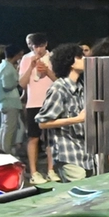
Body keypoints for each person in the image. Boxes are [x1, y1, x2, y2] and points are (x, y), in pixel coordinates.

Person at [36, 43, 94, 180]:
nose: (84, 59)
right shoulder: (58, 88)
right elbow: (43, 122)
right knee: (81, 192)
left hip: (84, 151)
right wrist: (77, 119)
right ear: (70, 62)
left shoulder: (82, 86)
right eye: (80, 57)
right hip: (67, 152)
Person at [19, 33, 57, 186]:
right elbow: (22, 83)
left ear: (46, 44)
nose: (38, 49)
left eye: (41, 46)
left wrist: (47, 71)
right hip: (33, 103)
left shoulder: (53, 57)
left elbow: (59, 80)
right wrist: (31, 67)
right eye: (35, 46)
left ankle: (51, 170)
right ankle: (34, 172)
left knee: (51, 138)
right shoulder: (26, 59)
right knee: (33, 137)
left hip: (51, 102)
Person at [0, 44, 25, 152]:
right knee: (9, 130)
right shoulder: (8, 68)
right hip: (10, 102)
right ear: (15, 55)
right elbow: (7, 85)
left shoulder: (1, 66)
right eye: (20, 55)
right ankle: (5, 153)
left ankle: (0, 150)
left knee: (4, 128)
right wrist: (17, 80)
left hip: (3, 102)